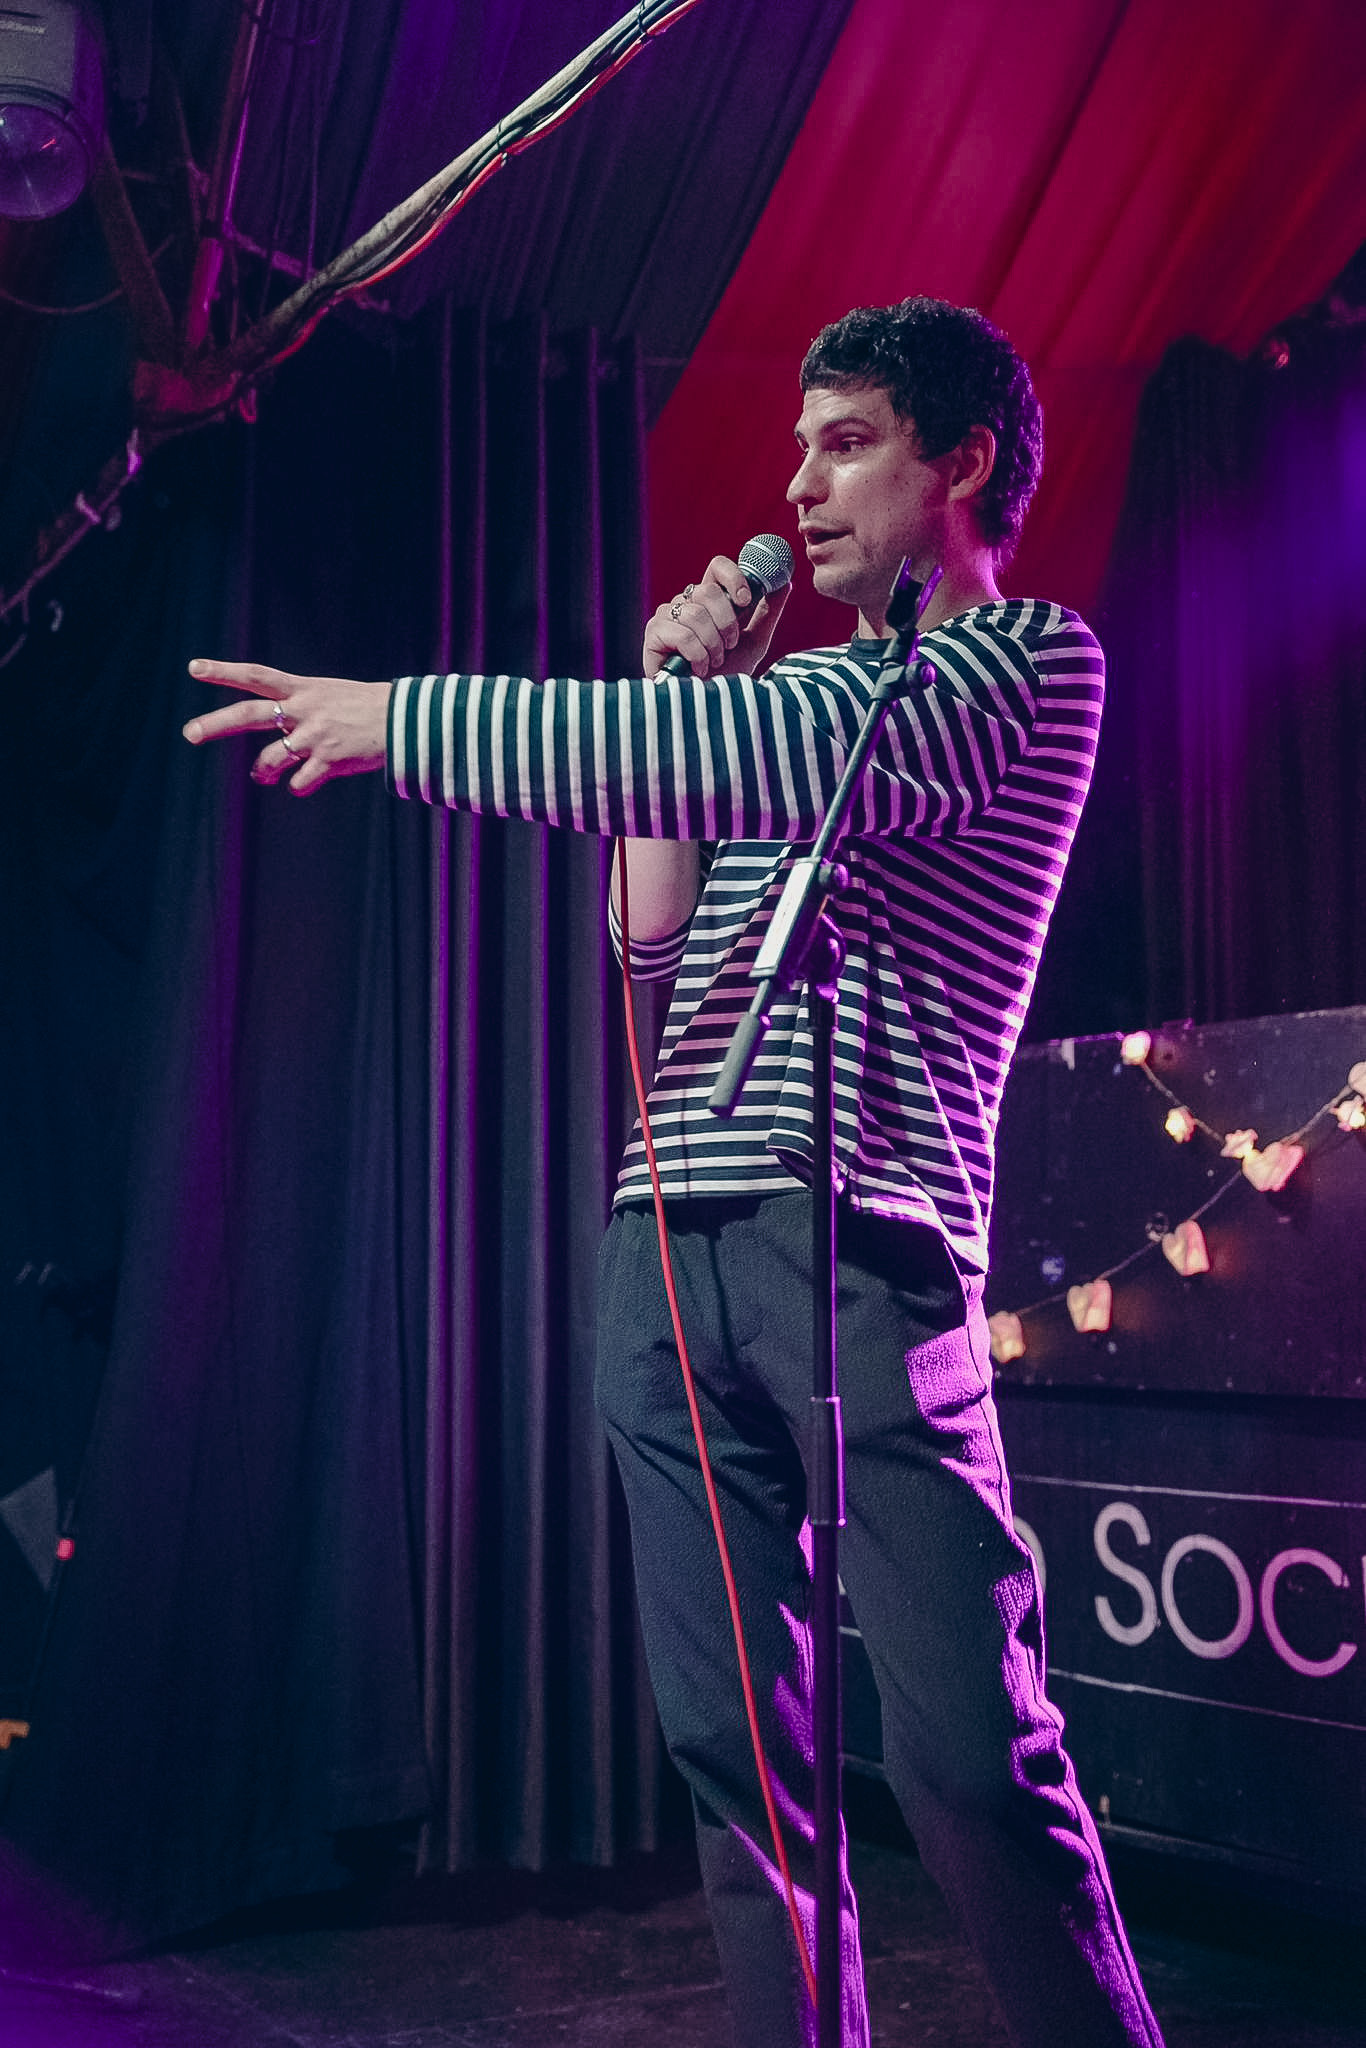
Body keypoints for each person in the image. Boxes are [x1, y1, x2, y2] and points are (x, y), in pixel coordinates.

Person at [183, 297, 1164, 2047]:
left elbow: (755, 763)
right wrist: (674, 700)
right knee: (735, 1754)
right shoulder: (766, 702)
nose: (798, 486)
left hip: (860, 1247)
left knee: (963, 1753)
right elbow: (651, 941)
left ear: (960, 464)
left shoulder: (1025, 664)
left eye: (845, 443)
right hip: (664, 1244)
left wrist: (407, 719)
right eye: (799, 447)